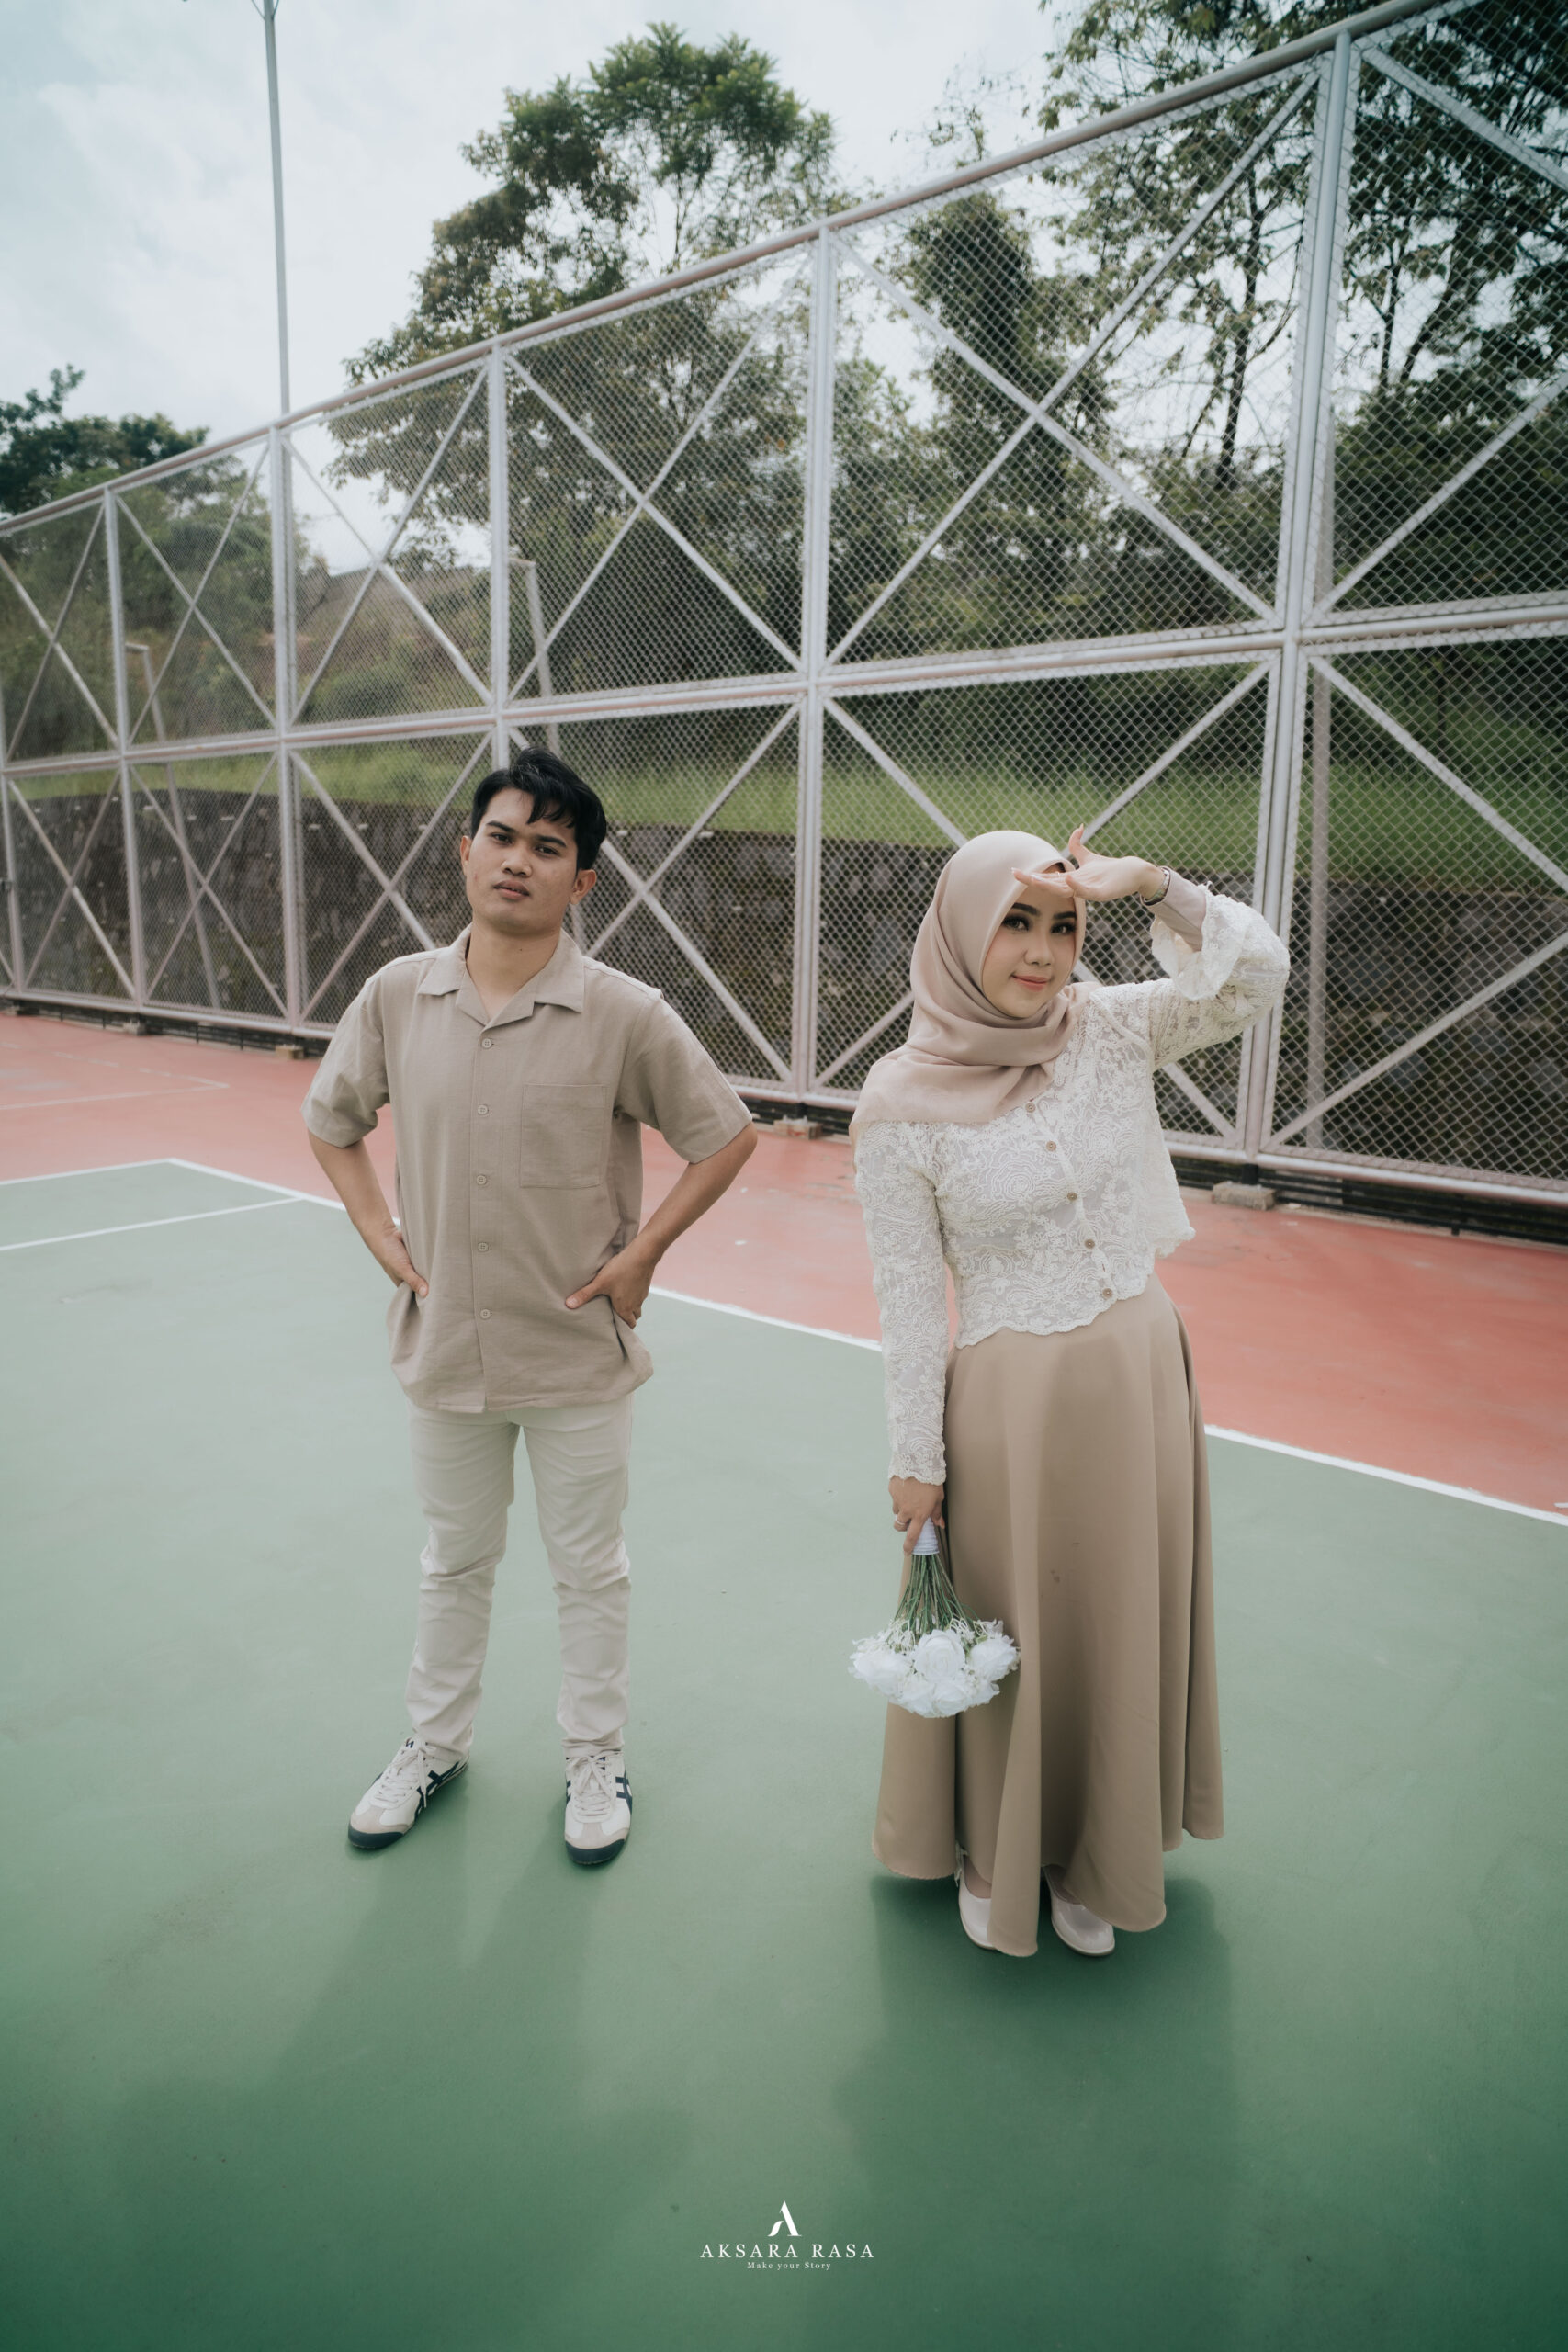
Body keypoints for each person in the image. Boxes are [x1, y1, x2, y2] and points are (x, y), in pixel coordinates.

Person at [302, 750, 756, 1865]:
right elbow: (331, 1119)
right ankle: (433, 1744)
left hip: (574, 1354)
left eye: (549, 848)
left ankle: (595, 1757)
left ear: (581, 880)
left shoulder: (624, 1013)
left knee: (589, 1569)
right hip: (445, 1347)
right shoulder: (397, 995)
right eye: (502, 837)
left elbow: (725, 1136)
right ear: (466, 852)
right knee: (453, 1560)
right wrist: (376, 1230)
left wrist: (643, 1254)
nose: (519, 860)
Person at [851, 826, 1288, 1958]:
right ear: (960, 930)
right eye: (1015, 922)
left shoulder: (1109, 1027)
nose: (1042, 953)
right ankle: (1001, 1849)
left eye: (1063, 926)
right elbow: (910, 1300)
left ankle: (1101, 1847)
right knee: (1027, 1628)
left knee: (1117, 1615)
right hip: (1013, 1413)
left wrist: (1153, 884)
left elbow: (1255, 976)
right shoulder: (896, 1104)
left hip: (1140, 1379)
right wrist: (916, 1459)